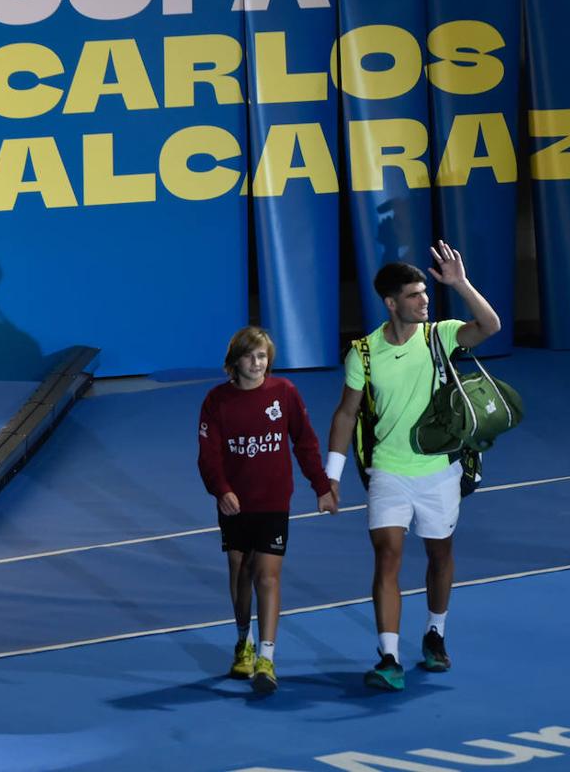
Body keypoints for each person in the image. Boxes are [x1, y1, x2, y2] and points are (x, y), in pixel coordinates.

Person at [325, 241, 501, 690]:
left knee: (439, 554)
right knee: (388, 556)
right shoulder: (362, 353)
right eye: (415, 295)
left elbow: (490, 325)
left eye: (426, 293)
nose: (425, 301)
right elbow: (347, 413)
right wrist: (331, 474)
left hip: (439, 469)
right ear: (391, 303)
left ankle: (435, 634)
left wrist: (459, 283)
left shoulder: (438, 335)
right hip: (387, 470)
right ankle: (388, 656)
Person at [197, 326, 338, 694]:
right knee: (240, 573)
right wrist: (221, 490)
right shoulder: (216, 401)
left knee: (267, 577)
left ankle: (266, 658)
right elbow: (208, 457)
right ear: (234, 362)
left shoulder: (285, 393)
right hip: (235, 505)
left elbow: (305, 442)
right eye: (250, 356)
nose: (258, 363)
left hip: (274, 502)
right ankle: (243, 641)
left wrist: (322, 487)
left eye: (263, 356)